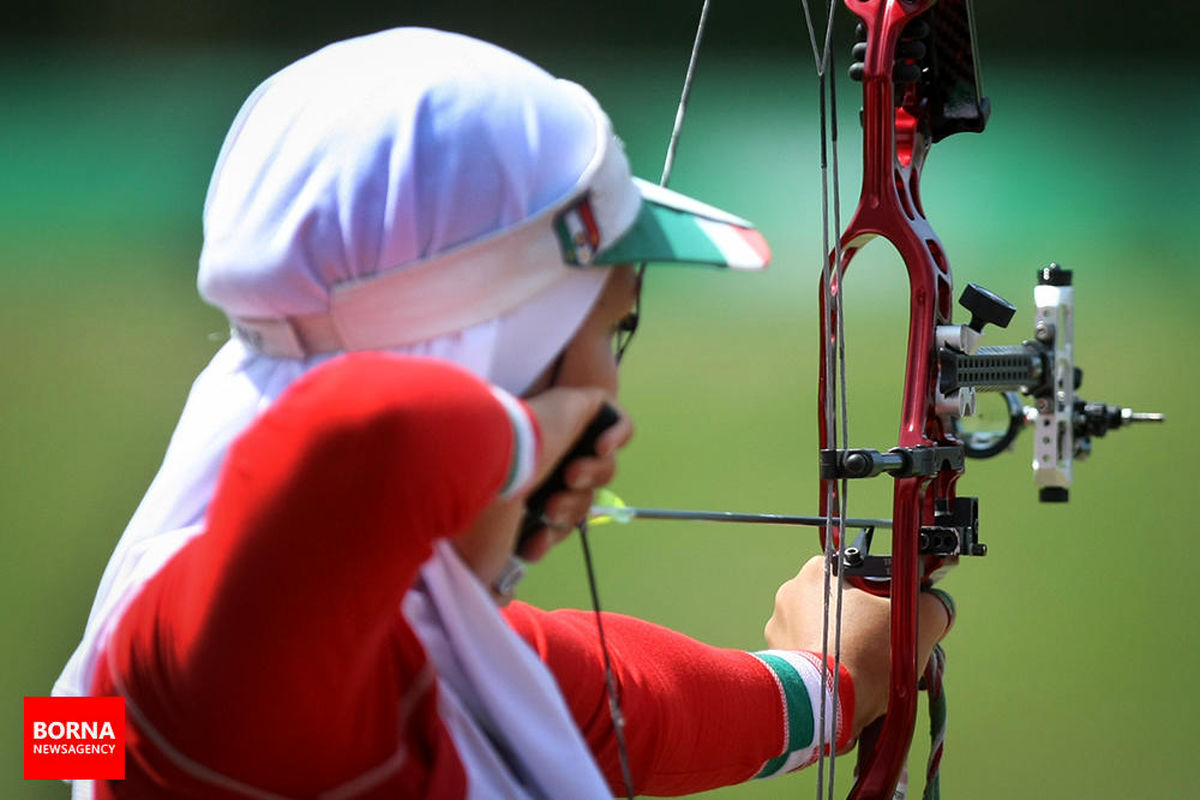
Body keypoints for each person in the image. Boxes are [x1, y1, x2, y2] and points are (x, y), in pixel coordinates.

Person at [54, 28, 952, 798]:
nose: (614, 412)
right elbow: (354, 438)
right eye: (610, 327)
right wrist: (535, 439)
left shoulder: (387, 653)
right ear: (495, 351)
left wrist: (827, 684)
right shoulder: (217, 669)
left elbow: (634, 710)